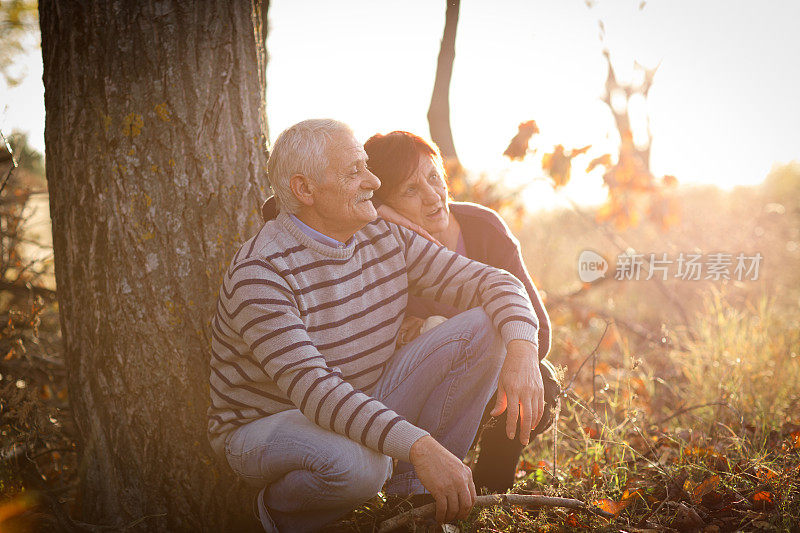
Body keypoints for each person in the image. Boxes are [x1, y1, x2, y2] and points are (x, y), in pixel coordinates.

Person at [210, 119, 545, 532]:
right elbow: (316, 392)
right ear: (305, 190)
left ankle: (413, 504)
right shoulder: (260, 273)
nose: (372, 180)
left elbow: (494, 281)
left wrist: (523, 350)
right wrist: (422, 447)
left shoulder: (384, 235)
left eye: (366, 166)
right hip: (273, 423)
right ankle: (273, 518)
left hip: (364, 395)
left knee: (486, 326)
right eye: (354, 172)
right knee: (358, 468)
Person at [362, 130, 559, 493]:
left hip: (488, 382)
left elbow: (540, 333)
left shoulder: (482, 227)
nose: (433, 196)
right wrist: (372, 211)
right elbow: (275, 209)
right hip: (414, 393)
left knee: (541, 379)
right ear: (382, 198)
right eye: (410, 190)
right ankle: (414, 489)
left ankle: (490, 489)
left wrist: (492, 350)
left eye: (434, 177)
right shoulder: (375, 241)